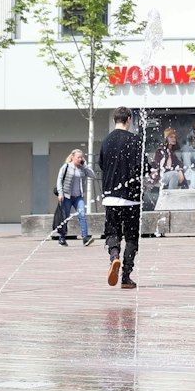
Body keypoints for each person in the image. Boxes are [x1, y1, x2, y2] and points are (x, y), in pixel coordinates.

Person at [98, 109, 144, 289]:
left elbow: (102, 165)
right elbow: (143, 167)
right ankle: (126, 277)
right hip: (131, 198)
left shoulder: (106, 141)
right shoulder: (135, 140)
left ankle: (114, 256)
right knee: (131, 238)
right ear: (129, 120)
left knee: (112, 232)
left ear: (115, 119)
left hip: (110, 197)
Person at [54, 149, 93, 246]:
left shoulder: (82, 168)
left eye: (81, 157)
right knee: (65, 217)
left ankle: (85, 238)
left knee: (82, 215)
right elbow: (59, 180)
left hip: (78, 197)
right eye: (78, 157)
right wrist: (60, 193)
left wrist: (85, 165)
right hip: (67, 196)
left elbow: (92, 175)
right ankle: (62, 238)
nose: (80, 159)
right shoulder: (66, 166)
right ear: (73, 157)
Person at [156, 124, 186, 191]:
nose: (173, 139)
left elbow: (179, 163)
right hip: (160, 178)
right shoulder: (160, 151)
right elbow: (158, 167)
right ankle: (171, 196)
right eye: (171, 137)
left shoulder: (172, 153)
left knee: (177, 174)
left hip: (169, 177)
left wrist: (180, 170)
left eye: (174, 137)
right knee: (174, 174)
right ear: (166, 138)